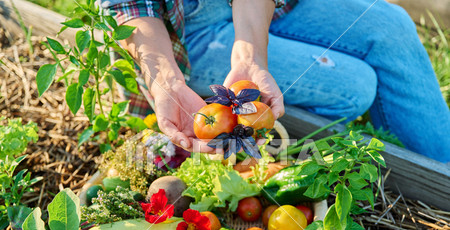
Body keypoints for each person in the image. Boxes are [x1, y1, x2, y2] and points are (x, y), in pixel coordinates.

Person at [100, 0, 450, 163]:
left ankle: (442, 171)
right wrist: (165, 80)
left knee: (392, 25)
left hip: (258, 7)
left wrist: (249, 57)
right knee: (356, 85)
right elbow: (127, 7)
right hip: (180, 35)